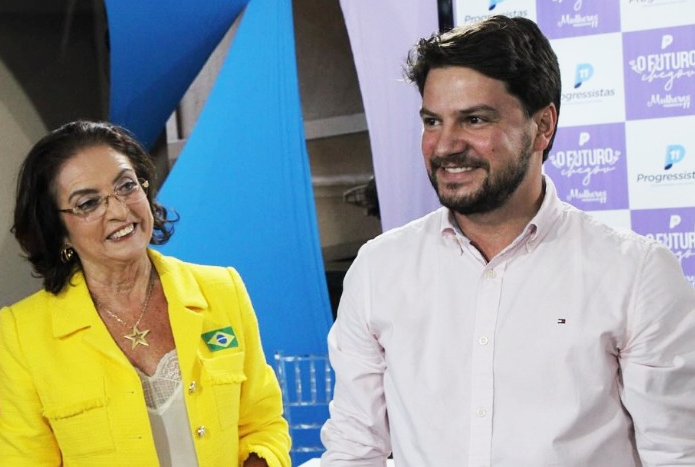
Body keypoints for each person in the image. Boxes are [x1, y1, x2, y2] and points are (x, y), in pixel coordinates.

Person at [320, 15, 695, 466]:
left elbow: (676, 454)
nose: (445, 145)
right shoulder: (378, 269)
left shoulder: (635, 273)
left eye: (474, 119)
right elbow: (353, 451)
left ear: (543, 126)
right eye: (433, 121)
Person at [0, 120, 291, 466]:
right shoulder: (20, 334)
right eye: (88, 203)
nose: (119, 211)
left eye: (126, 186)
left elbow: (263, 424)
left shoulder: (221, 290)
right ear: (58, 229)